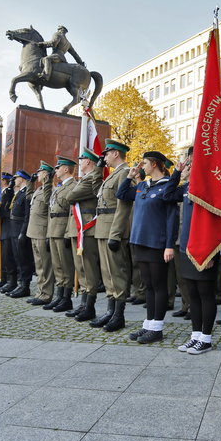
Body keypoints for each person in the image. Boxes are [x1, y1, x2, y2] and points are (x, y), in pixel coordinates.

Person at [116, 151, 177, 343]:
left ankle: (157, 328)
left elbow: (171, 218)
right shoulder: (142, 185)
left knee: (159, 286)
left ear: (155, 164)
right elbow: (122, 194)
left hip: (157, 243)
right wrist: (129, 176)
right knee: (148, 285)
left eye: (145, 163)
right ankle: (148, 324)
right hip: (140, 241)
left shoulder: (168, 186)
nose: (142, 166)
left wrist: (169, 245)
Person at [163, 153, 219, 354]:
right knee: (192, 294)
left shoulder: (209, 186)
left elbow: (214, 222)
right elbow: (167, 195)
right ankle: (195, 335)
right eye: (189, 161)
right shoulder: (187, 187)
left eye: (193, 161)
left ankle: (206, 337)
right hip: (186, 247)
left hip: (204, 248)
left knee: (205, 294)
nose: (190, 164)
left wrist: (212, 253)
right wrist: (177, 171)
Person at [91, 139, 133, 330]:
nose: (104, 157)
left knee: (117, 273)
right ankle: (110, 311)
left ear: (116, 153)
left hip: (112, 230)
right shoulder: (112, 175)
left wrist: (115, 234)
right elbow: (95, 192)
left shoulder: (124, 173)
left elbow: (123, 207)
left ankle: (119, 315)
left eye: (106, 154)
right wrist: (98, 170)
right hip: (102, 228)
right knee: (107, 274)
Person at [64, 149, 104, 322]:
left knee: (88, 269)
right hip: (77, 228)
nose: (79, 163)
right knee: (80, 268)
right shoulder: (84, 180)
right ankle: (83, 303)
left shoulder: (91, 180)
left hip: (87, 228)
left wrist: (72, 196)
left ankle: (90, 306)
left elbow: (70, 196)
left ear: (88, 161)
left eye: (81, 160)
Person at [43, 157, 77, 312]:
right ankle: (59, 295)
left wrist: (68, 234)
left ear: (65, 169)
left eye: (58, 168)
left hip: (63, 229)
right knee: (57, 266)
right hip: (53, 229)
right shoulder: (58, 187)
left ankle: (66, 298)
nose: (55, 170)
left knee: (66, 266)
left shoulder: (73, 186)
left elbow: (72, 212)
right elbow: (48, 204)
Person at [25, 161, 54, 305]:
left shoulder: (49, 189)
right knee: (39, 266)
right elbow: (29, 196)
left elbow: (48, 200)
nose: (37, 174)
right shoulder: (39, 189)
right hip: (34, 231)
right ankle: (40, 292)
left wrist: (49, 182)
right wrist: (30, 183)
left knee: (45, 266)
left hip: (42, 232)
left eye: (40, 172)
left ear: (47, 175)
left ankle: (46, 294)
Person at [8, 170, 34, 298]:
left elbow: (27, 215)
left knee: (24, 259)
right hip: (14, 229)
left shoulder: (26, 194)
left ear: (22, 179)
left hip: (20, 229)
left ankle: (25, 286)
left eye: (16, 178)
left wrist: (23, 232)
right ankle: (19, 284)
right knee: (17, 258)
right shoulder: (18, 194)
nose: (14, 180)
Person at [0, 173, 16, 290]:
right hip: (0, 227)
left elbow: (7, 211)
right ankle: (2, 278)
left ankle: (10, 281)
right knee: (0, 255)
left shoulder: (8, 193)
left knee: (7, 256)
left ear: (4, 181)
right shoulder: (2, 193)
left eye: (0, 180)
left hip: (7, 227)